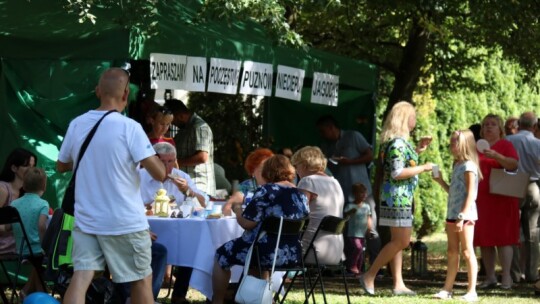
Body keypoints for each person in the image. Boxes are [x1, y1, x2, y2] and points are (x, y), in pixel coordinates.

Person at [57, 67, 166, 304]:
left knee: (81, 276)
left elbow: (61, 165)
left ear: (97, 91)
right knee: (141, 280)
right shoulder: (130, 128)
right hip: (124, 221)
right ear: (126, 93)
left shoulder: (77, 124)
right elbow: (159, 173)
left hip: (87, 219)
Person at [211, 155, 309, 303]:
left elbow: (247, 224)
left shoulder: (266, 190)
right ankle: (263, 299)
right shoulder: (301, 194)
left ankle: (217, 301)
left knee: (221, 255)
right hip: (292, 254)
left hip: (264, 252)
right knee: (258, 259)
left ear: (268, 172)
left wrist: (237, 209)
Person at [359, 101, 433, 296]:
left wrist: (417, 150)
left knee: (396, 241)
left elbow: (399, 164)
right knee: (401, 241)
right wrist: (423, 167)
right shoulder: (398, 143)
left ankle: (398, 283)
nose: (415, 120)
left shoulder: (396, 142)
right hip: (398, 199)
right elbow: (398, 172)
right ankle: (369, 275)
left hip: (397, 198)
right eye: (413, 116)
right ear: (404, 118)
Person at [139, 142, 208, 304]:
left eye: (171, 161)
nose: (168, 166)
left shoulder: (181, 176)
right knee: (154, 250)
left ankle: (179, 294)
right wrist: (148, 206)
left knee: (192, 244)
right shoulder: (140, 176)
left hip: (177, 229)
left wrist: (188, 191)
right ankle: (149, 296)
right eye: (163, 162)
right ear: (154, 161)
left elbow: (203, 204)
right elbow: (129, 204)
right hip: (148, 228)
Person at [432, 129, 481, 302]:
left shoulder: (469, 166)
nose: (452, 145)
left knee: (467, 252)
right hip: (452, 214)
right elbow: (453, 192)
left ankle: (471, 291)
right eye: (451, 141)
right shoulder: (457, 164)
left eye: (455, 142)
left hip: (464, 216)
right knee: (452, 252)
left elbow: (470, 194)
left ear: (465, 144)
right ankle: (447, 289)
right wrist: (440, 182)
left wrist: (462, 216)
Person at [474, 113, 519, 290]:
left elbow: (513, 165)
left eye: (493, 124)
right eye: (485, 125)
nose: (488, 127)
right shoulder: (476, 147)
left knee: (504, 239)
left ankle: (506, 276)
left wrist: (496, 156)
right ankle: (490, 276)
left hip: (502, 198)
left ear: (500, 129)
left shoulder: (506, 145)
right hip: (482, 199)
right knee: (485, 239)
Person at [290, 146, 345, 265]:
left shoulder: (308, 181)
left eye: (296, 166)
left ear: (304, 164)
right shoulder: (335, 182)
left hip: (312, 251)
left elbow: (297, 214)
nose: (296, 171)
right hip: (336, 252)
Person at [506, 112, 540, 283]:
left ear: (519, 124)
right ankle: (532, 273)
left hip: (512, 185)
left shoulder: (508, 140)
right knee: (532, 232)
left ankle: (514, 273)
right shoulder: (537, 143)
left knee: (512, 231)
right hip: (532, 185)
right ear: (534, 126)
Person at [10, 167, 49, 299]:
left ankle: (29, 292)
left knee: (37, 262)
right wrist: (45, 245)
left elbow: (8, 227)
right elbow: (41, 226)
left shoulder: (14, 204)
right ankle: (39, 294)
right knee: (44, 257)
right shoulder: (43, 204)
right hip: (36, 249)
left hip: (20, 250)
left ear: (24, 185)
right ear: (44, 185)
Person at [165, 98, 216, 196]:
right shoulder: (185, 129)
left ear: (180, 116)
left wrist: (177, 163)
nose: (172, 124)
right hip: (188, 186)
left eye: (173, 120)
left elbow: (202, 157)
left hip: (200, 187)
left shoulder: (200, 127)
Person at [0, 148, 37, 255]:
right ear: (14, 168)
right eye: (27, 166)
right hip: (6, 244)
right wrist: (11, 227)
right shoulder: (3, 190)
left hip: (18, 243)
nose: (31, 170)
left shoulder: (27, 194)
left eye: (33, 166)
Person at [222, 148, 274, 216]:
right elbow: (229, 206)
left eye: (270, 168)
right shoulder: (247, 185)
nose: (267, 171)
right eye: (263, 168)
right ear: (252, 171)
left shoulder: (277, 185)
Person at [343, 183, 373, 276]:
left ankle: (357, 270)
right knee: (357, 248)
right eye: (361, 193)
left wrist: (370, 229)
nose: (364, 195)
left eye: (365, 193)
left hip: (362, 234)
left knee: (360, 252)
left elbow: (368, 218)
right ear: (355, 194)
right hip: (352, 234)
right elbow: (345, 217)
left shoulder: (366, 207)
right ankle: (352, 266)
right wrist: (349, 213)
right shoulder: (350, 206)